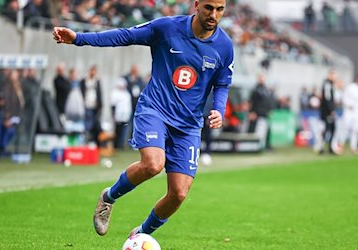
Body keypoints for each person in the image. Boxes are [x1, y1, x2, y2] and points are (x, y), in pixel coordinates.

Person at [53, 0, 233, 237]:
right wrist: (79, 38)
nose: (214, 14)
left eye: (219, 9)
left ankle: (141, 234)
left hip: (188, 125)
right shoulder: (167, 28)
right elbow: (125, 35)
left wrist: (219, 109)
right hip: (155, 109)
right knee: (153, 164)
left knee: (178, 194)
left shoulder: (224, 46)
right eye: (209, 7)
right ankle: (109, 198)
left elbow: (222, 83)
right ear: (197, 5)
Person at [334, 74, 358, 154]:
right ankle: (340, 145)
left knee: (356, 130)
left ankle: (354, 147)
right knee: (345, 128)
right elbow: (344, 98)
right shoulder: (350, 87)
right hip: (349, 111)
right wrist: (348, 105)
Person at [247, 73, 273, 150]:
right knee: (253, 129)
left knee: (266, 130)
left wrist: (269, 110)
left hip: (264, 113)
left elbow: (268, 101)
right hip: (256, 113)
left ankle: (266, 146)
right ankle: (250, 145)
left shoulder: (266, 89)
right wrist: (251, 112)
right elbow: (251, 101)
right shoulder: (256, 89)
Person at [317, 69, 337, 154]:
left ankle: (329, 147)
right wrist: (331, 110)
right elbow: (328, 99)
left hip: (327, 111)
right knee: (328, 129)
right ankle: (322, 147)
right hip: (327, 111)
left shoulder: (330, 84)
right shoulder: (327, 84)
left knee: (331, 129)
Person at [110, 78, 132, 149]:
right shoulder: (115, 93)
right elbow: (113, 106)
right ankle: (116, 146)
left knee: (124, 132)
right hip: (118, 116)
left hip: (125, 116)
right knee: (117, 131)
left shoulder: (126, 94)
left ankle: (121, 145)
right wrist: (113, 116)